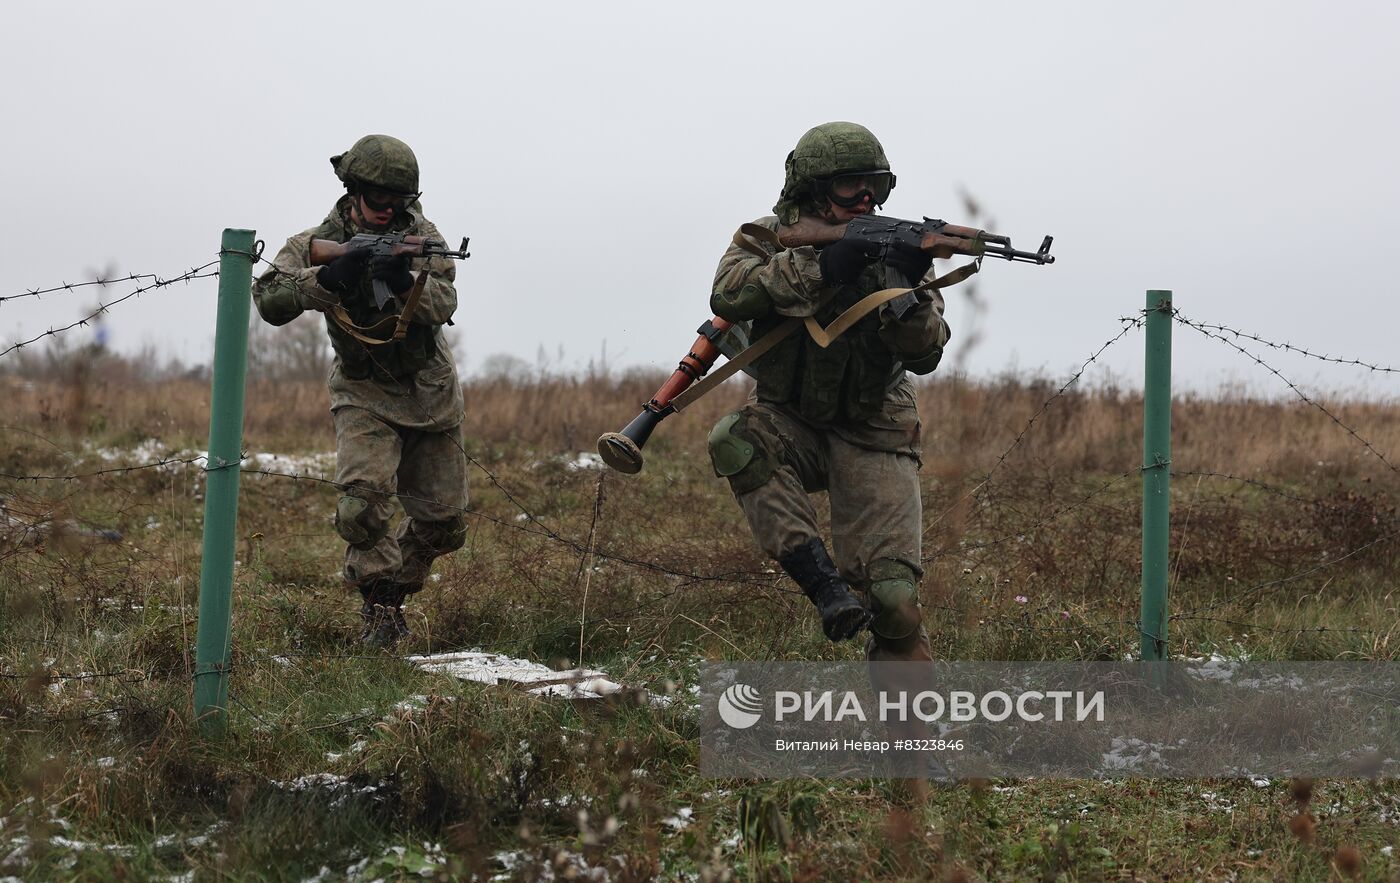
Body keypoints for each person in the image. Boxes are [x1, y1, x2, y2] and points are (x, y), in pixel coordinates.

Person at [708, 121, 950, 665]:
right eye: (850, 187)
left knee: (895, 603)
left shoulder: (903, 250)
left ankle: (910, 743)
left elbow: (926, 355)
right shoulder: (766, 237)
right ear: (814, 189)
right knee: (735, 438)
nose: (866, 199)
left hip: (876, 427)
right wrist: (825, 266)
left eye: (877, 186)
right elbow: (729, 293)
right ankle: (824, 588)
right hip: (790, 420)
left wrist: (904, 290)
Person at [252, 134, 468, 646]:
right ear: (353, 191)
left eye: (398, 203)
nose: (387, 212)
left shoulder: (424, 237)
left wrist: (400, 281)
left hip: (428, 391)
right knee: (361, 506)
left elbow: (443, 302)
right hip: (361, 389)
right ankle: (378, 604)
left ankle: (394, 589)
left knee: (445, 525)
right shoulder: (313, 241)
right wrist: (328, 277)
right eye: (377, 201)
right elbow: (269, 300)